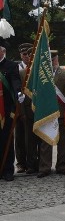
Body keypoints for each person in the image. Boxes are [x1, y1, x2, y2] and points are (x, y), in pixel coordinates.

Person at [0, 39, 22, 182]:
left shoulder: (11, 66)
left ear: (3, 51)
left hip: (6, 110)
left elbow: (15, 82)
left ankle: (8, 170)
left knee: (6, 139)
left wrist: (18, 92)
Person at [14, 43, 37, 174]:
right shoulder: (16, 69)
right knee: (20, 138)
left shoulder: (35, 68)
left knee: (31, 139)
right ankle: (21, 163)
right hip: (20, 108)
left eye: (28, 54)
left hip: (32, 108)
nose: (26, 57)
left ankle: (32, 163)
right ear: (20, 55)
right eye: (23, 54)